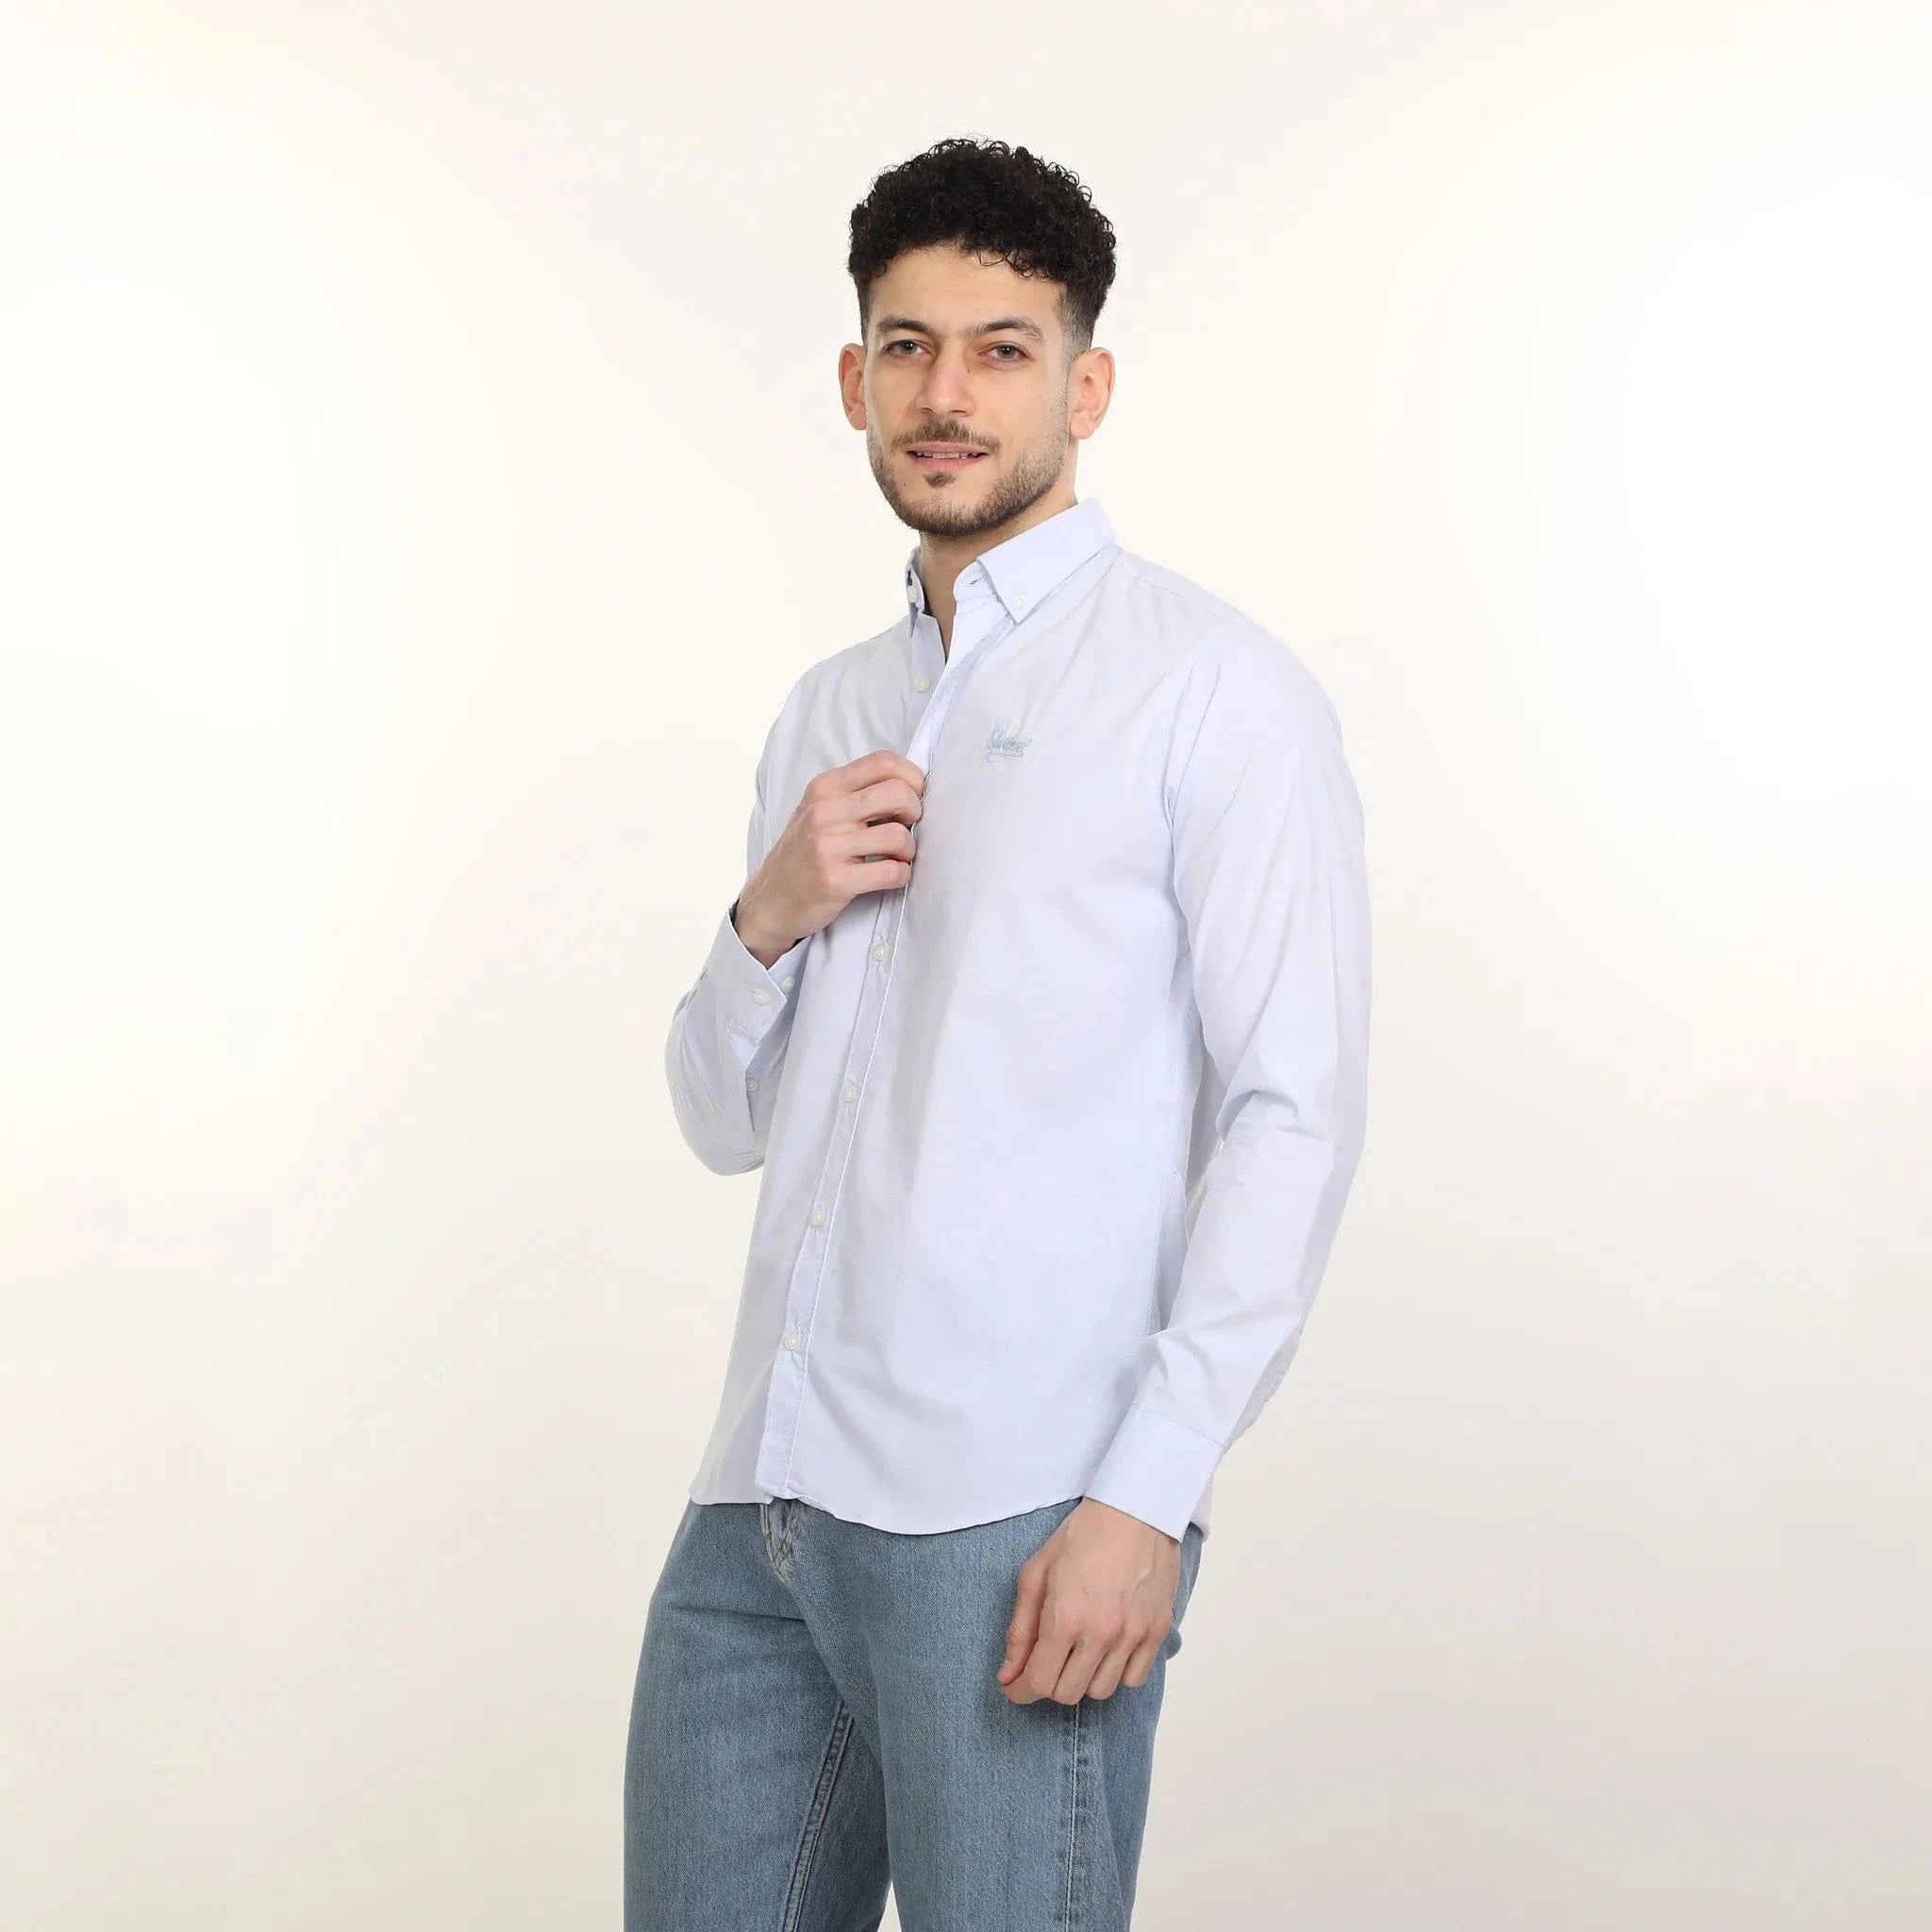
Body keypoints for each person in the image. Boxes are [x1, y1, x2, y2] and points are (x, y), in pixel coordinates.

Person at [625, 136, 1372, 1931]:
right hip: (760, 1504)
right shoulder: (832, 708)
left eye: (1001, 349)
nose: (946, 395)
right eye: (908, 347)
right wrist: (767, 915)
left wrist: (1148, 1497)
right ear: (854, 379)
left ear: (1084, 388)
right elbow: (721, 1122)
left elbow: (1292, 1113)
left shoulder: (1210, 690)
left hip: (1021, 1514)